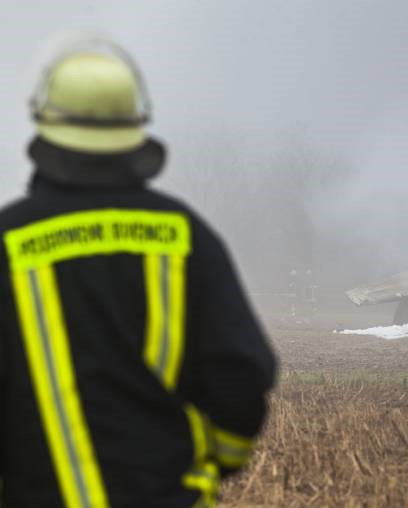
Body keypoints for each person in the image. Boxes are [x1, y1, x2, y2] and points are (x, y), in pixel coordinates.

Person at [0, 36, 277, 507]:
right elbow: (242, 373)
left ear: (45, 126)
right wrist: (214, 461)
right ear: (136, 128)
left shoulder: (9, 241)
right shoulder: (186, 236)